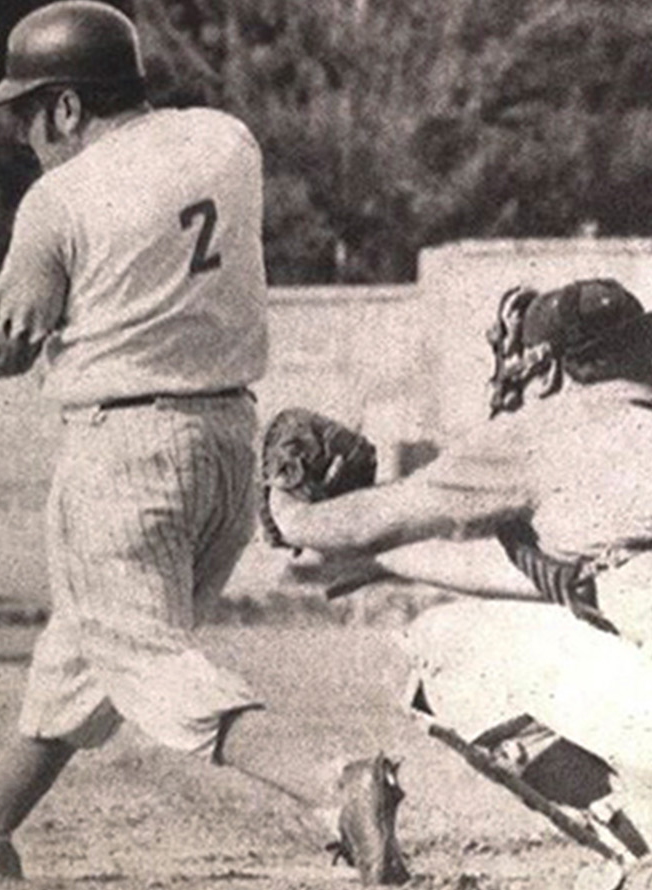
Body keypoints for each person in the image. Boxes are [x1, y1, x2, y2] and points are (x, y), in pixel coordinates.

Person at [0, 1, 405, 883]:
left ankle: (334, 781)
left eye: (28, 113)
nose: (25, 134)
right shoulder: (225, 141)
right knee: (85, 650)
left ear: (69, 105)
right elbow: (127, 257)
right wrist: (19, 278)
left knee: (146, 664)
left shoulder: (57, 200)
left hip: (125, 455)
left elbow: (10, 348)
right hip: (228, 444)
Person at [268, 278, 652, 888]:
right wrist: (389, 562)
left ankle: (643, 842)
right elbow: (584, 589)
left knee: (441, 645)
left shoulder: (548, 430)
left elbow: (368, 518)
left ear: (548, 370)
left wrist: (293, 513)